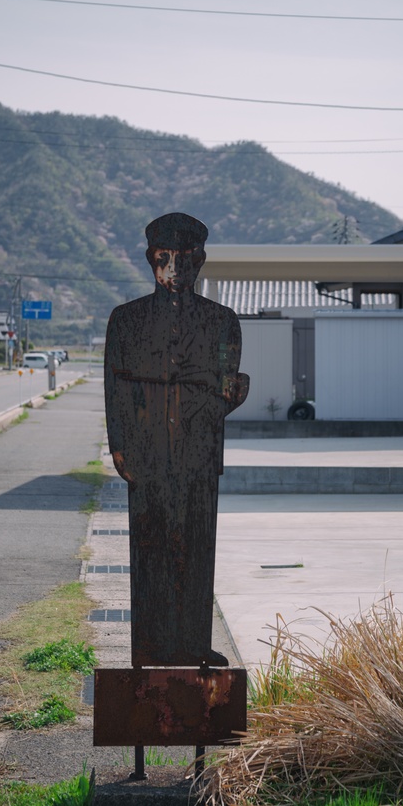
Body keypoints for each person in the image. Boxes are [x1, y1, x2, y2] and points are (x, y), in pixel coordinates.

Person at [104, 212, 249, 667]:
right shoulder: (125, 321)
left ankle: (191, 643)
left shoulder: (222, 322)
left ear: (200, 261)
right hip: (145, 453)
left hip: (199, 454)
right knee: (150, 548)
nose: (175, 269)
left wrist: (227, 391)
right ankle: (149, 646)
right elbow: (114, 388)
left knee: (195, 547)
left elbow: (226, 387)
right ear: (151, 260)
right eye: (165, 259)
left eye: (185, 259)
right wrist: (119, 444)